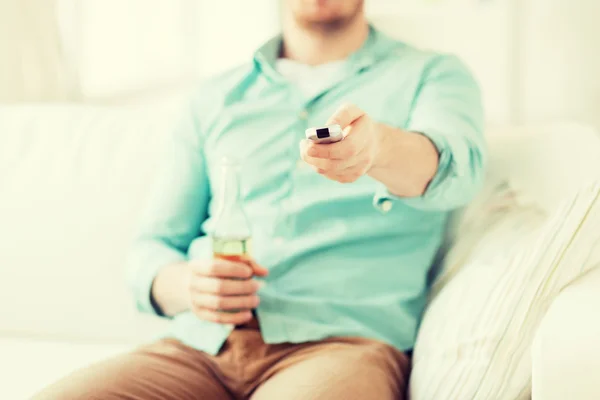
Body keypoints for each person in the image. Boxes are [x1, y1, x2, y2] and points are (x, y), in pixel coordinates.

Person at [34, 0, 485, 399]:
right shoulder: (214, 99)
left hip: (341, 348)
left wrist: (378, 149)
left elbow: (456, 172)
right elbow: (148, 250)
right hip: (199, 347)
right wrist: (188, 286)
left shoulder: (433, 74)